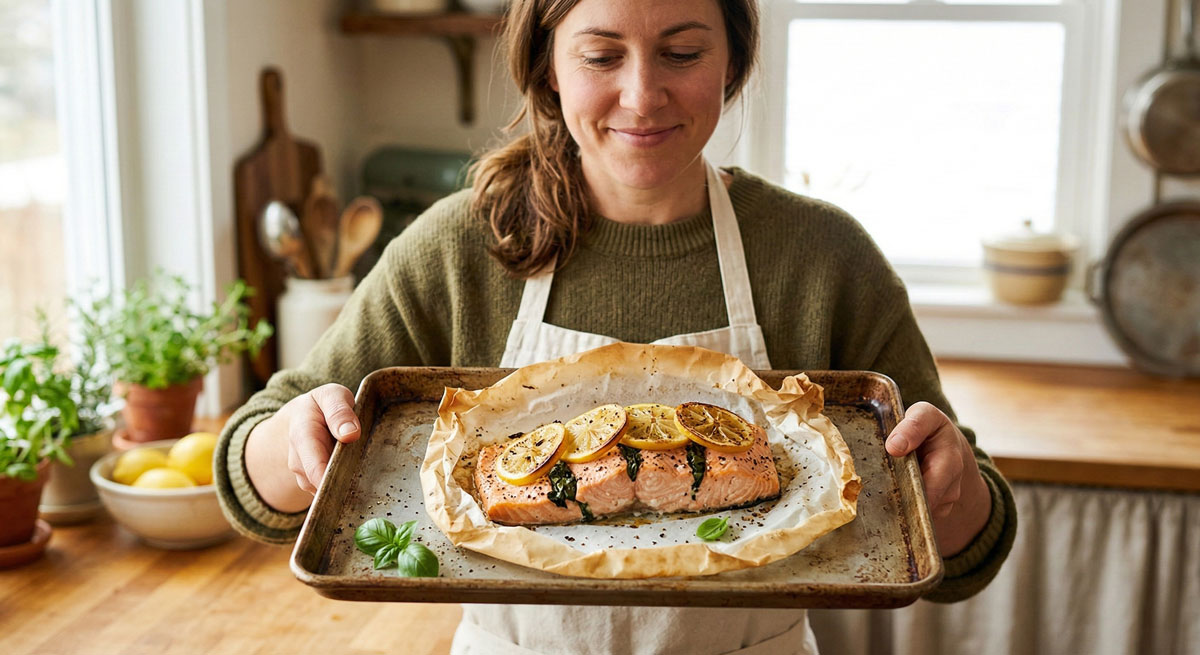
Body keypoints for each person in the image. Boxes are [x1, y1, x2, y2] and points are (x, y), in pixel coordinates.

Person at [215, 0, 1017, 653]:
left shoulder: (822, 257)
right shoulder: (459, 249)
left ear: (732, 61)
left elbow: (964, 548)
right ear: (547, 66)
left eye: (682, 52)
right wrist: (296, 441)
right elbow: (255, 472)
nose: (642, 95)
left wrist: (948, 490)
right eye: (602, 56)